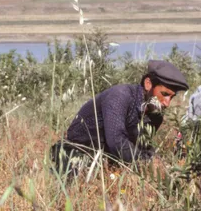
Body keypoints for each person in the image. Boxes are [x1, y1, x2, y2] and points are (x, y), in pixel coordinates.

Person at [51, 60, 189, 172]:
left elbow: (141, 148)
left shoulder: (156, 116)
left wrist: (160, 164)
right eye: (164, 94)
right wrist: (150, 164)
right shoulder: (120, 96)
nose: (167, 103)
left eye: (172, 97)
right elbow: (116, 142)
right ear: (148, 84)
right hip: (75, 155)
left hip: (107, 161)